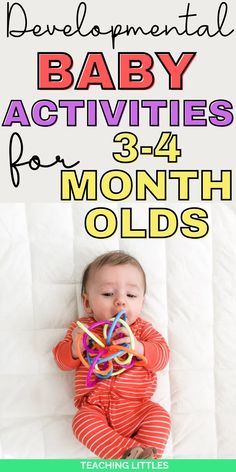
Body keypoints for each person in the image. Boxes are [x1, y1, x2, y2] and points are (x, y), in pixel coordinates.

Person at [53, 250, 171, 459]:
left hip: (137, 408)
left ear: (141, 303)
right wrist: (74, 347)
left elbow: (162, 357)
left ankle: (143, 459)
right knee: (81, 423)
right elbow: (61, 361)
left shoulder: (142, 330)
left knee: (160, 417)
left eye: (131, 295)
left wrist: (138, 347)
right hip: (95, 409)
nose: (120, 301)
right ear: (87, 303)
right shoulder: (82, 329)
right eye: (108, 294)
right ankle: (129, 456)